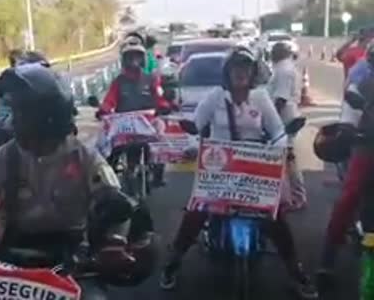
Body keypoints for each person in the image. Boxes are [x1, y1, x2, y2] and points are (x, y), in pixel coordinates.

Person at [0, 65, 156, 300]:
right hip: (12, 252)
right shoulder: (5, 156)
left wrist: (115, 244)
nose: (14, 121)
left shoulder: (84, 157)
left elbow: (116, 203)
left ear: (48, 117)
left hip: (72, 254)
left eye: (22, 113)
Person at [159, 48, 318, 299]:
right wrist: (191, 146)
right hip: (219, 169)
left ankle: (295, 271)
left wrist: (280, 149)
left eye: (246, 68)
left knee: (277, 221)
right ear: (228, 72)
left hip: (256, 171)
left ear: (253, 72)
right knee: (196, 213)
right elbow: (195, 126)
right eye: (236, 68)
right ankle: (173, 262)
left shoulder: (262, 98)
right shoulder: (214, 97)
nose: (241, 73)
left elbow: (277, 131)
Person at [316, 41, 374, 286]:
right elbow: (350, 115)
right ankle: (328, 257)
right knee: (349, 196)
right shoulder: (363, 86)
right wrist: (351, 132)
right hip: (368, 146)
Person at [96, 41, 174, 188]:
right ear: (124, 60)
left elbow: (160, 98)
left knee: (161, 137)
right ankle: (109, 180)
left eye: (137, 57)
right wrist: (103, 110)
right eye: (130, 57)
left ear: (143, 59)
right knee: (109, 145)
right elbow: (109, 100)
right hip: (124, 126)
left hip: (148, 123)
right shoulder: (118, 82)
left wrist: (164, 106)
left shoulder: (151, 79)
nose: (134, 61)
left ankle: (158, 174)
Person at [268, 42, 306, 211]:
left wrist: (270, 120)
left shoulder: (283, 71)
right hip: (289, 116)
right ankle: (292, 196)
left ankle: (296, 197)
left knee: (287, 158)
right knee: (286, 158)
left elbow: (280, 99)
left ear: (277, 54)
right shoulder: (287, 68)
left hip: (284, 118)